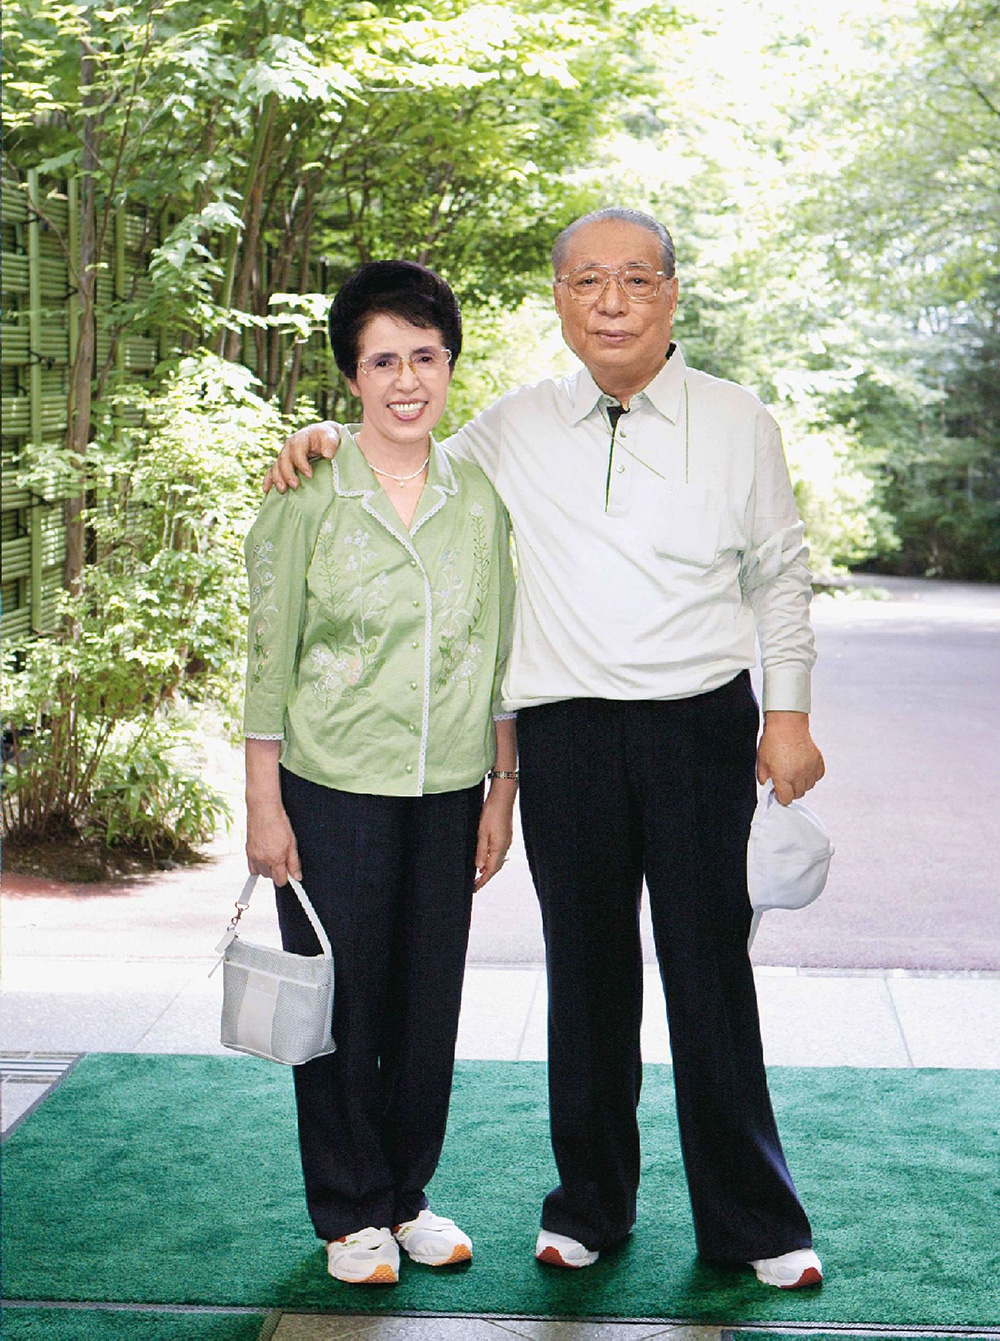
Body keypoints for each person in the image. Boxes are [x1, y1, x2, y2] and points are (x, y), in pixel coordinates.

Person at [263, 208, 826, 1290]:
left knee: (709, 972)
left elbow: (782, 570)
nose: (609, 301)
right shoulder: (516, 425)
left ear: (671, 293)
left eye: (633, 280)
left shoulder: (737, 417)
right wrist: (324, 438)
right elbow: (408, 454)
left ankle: (755, 1222)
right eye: (585, 281)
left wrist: (787, 710)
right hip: (565, 732)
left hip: (701, 723)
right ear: (559, 299)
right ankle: (590, 1208)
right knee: (588, 975)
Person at [243, 260, 516, 1286]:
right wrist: (264, 805)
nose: (407, 379)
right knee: (339, 1007)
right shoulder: (309, 490)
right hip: (329, 783)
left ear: (450, 365)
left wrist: (502, 789)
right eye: (382, 360)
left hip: (448, 787)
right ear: (351, 377)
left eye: (425, 357)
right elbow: (267, 653)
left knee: (424, 1001)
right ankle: (348, 1209)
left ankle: (405, 1199)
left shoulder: (478, 494)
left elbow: (497, 648)